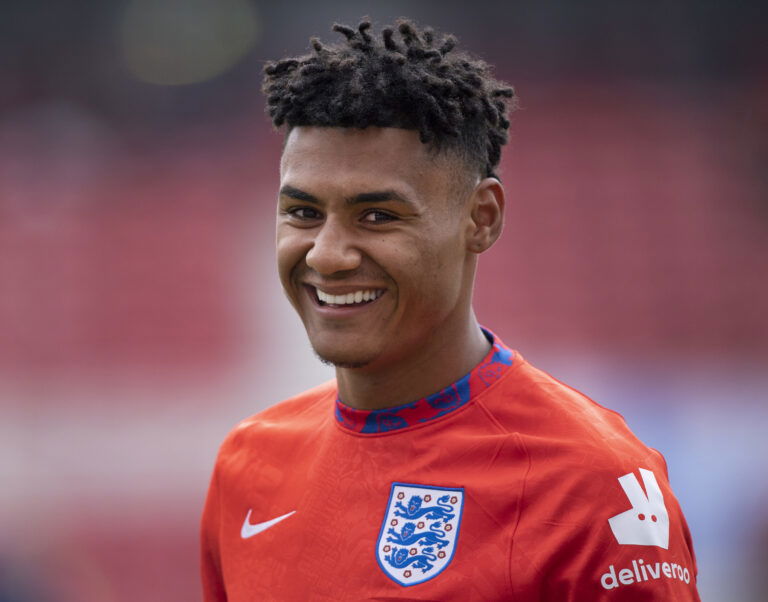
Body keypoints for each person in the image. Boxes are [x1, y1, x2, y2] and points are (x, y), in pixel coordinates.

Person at [200, 18, 700, 601]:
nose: (328, 254)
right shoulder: (249, 460)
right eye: (304, 213)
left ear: (481, 218)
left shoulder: (594, 483)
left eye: (378, 216)